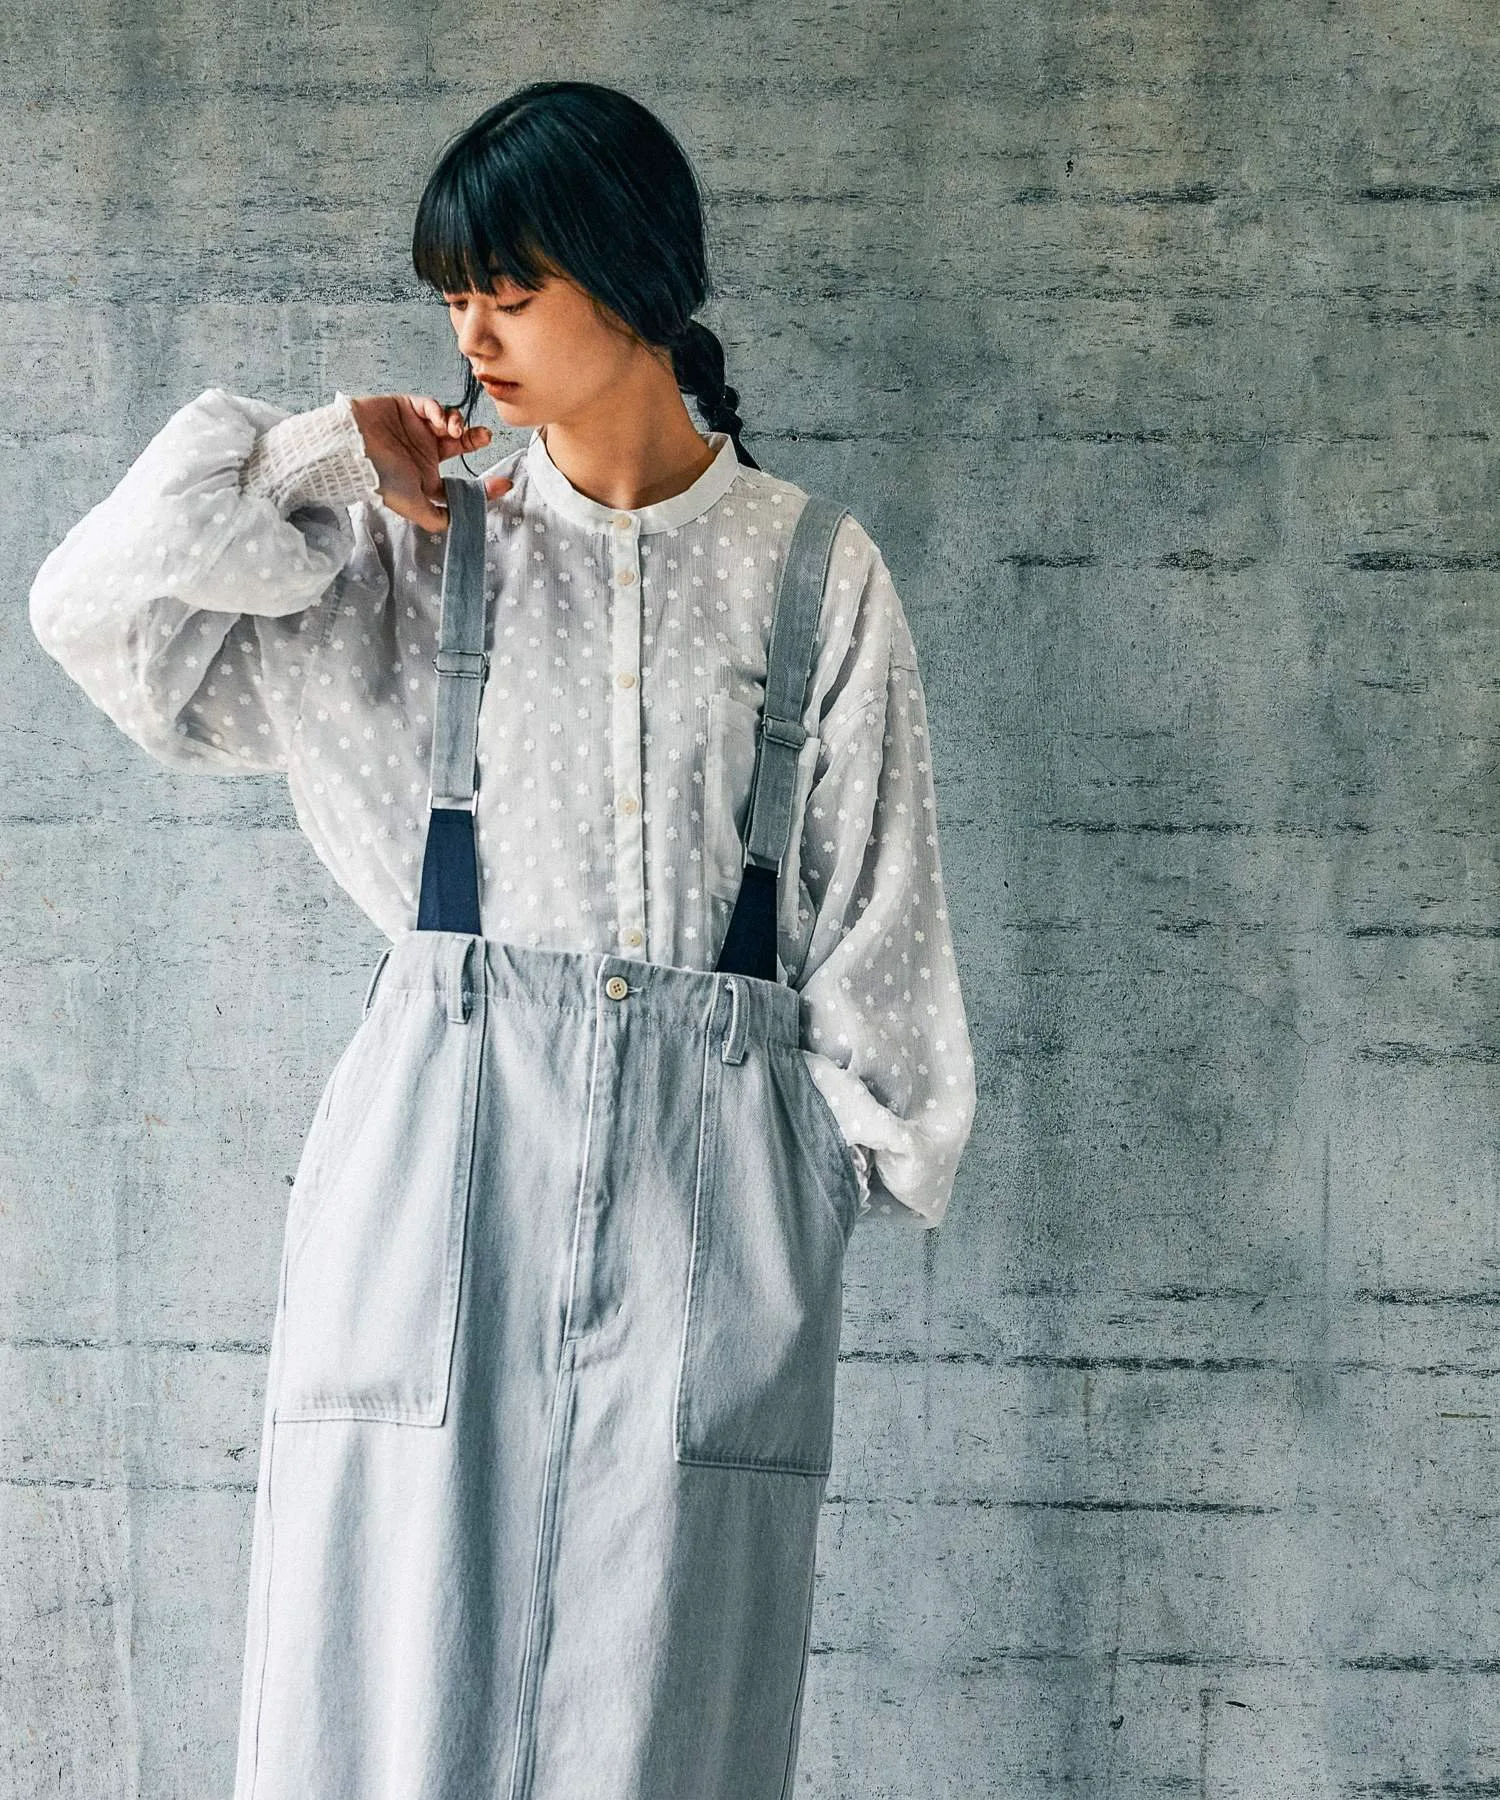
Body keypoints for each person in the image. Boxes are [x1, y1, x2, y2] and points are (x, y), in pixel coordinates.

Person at [29, 79, 977, 1800]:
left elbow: (880, 936)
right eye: (453, 296)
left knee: (659, 1730)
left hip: (711, 1216)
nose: (471, 337)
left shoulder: (815, 576)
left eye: (510, 293)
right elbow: (96, 608)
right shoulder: (412, 551)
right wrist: (324, 452)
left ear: (636, 279)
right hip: (432, 1197)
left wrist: (796, 1198)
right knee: (385, 1711)